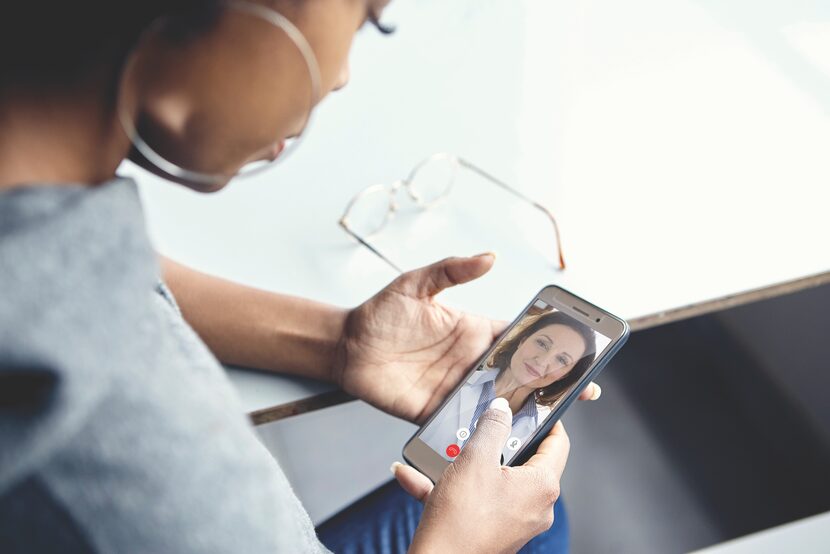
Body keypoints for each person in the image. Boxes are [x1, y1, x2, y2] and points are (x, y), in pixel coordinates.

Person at [0, 1, 601, 552]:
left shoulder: (39, 218)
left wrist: (337, 342)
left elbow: (94, 271)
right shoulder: (123, 437)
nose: (339, 75)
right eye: (368, 16)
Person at [419, 312, 598, 463]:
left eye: (561, 360)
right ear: (523, 340)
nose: (542, 361)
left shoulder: (536, 435)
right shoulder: (458, 377)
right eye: (542, 343)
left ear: (566, 375)